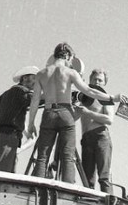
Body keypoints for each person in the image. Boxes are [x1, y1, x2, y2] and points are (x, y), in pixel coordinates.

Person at [27, 43, 120, 183]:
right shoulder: (70, 72)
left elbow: (34, 101)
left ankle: (37, 188)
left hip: (48, 113)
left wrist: (31, 123)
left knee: (42, 156)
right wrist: (111, 98)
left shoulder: (41, 74)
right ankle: (67, 188)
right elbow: (89, 91)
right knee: (67, 156)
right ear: (68, 56)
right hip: (66, 113)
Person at [0, 66, 39, 173]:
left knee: (5, 170)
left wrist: (9, 105)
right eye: (35, 79)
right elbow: (36, 100)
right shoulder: (22, 92)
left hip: (1, 134)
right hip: (10, 135)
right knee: (4, 173)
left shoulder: (8, 93)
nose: (36, 83)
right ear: (25, 78)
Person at [77, 68, 115, 193]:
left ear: (104, 83)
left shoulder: (106, 99)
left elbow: (109, 120)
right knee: (87, 179)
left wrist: (88, 113)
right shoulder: (82, 97)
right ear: (90, 80)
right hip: (86, 139)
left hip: (101, 136)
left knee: (104, 176)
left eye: (100, 80)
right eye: (95, 79)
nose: (97, 82)